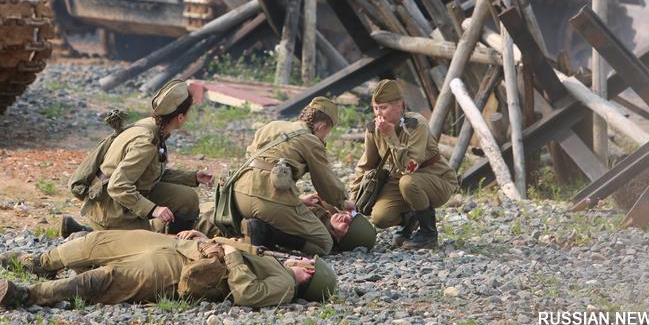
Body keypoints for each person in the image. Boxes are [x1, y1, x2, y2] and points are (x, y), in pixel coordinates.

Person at [0, 229, 336, 309]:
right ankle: (39, 263)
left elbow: (247, 294)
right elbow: (231, 245)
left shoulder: (285, 285)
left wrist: (230, 256)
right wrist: (206, 237)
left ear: (308, 274)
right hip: (181, 245)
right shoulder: (274, 262)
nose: (301, 260)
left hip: (180, 269)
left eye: (308, 263)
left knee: (104, 280)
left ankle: (28, 295)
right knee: (97, 242)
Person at [62, 79, 212, 237]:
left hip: (126, 197)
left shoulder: (153, 126)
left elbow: (149, 174)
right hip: (111, 209)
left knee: (187, 198)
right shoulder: (146, 142)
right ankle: (86, 236)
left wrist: (193, 177)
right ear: (180, 117)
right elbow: (117, 186)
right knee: (149, 249)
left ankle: (177, 242)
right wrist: (153, 209)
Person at [231, 97, 355, 256]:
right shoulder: (311, 140)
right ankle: (264, 232)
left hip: (238, 195)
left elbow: (253, 160)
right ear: (321, 126)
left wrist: (300, 200)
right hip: (268, 202)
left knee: (274, 210)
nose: (324, 138)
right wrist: (343, 201)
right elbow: (326, 183)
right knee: (324, 243)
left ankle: (254, 231)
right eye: (326, 133)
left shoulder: (272, 125)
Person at [349, 79, 459, 249]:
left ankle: (428, 234)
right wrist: (352, 201)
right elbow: (366, 165)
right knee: (380, 217)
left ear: (400, 105)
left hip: (435, 179)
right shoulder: (373, 130)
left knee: (408, 182)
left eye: (384, 108)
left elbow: (409, 167)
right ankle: (411, 218)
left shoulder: (416, 125)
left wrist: (390, 136)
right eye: (376, 108)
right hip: (399, 181)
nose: (379, 114)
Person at [191, 192, 377, 254]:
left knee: (189, 221)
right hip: (232, 212)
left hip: (231, 223)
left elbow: (273, 231)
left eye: (347, 226)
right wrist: (300, 200)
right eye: (349, 217)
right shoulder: (324, 216)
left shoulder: (319, 238)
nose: (344, 217)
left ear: (341, 240)